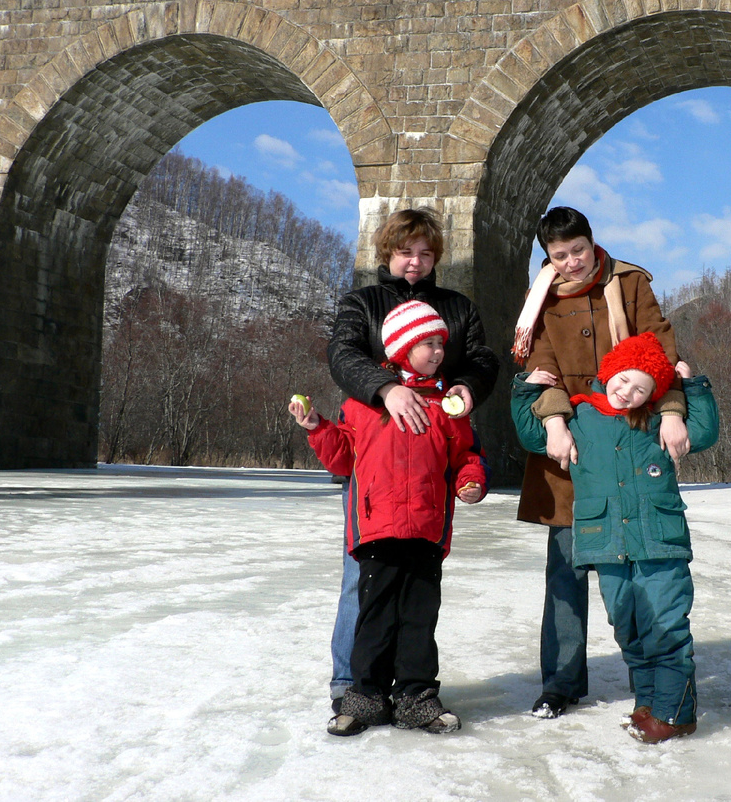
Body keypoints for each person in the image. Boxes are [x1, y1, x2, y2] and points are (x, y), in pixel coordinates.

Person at [510, 206, 690, 718]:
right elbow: (537, 366)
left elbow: (659, 350)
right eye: (558, 255)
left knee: (636, 568)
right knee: (565, 569)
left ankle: (650, 681)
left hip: (630, 440)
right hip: (570, 443)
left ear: (593, 243)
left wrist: (672, 409)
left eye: (578, 251)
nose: (570, 263)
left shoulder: (629, 283)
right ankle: (561, 682)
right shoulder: (539, 298)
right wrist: (554, 422)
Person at [324, 207, 499, 711]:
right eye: (406, 253)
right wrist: (385, 389)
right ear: (388, 254)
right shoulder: (364, 301)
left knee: (421, 584)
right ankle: (351, 684)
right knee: (363, 575)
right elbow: (342, 353)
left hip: (432, 452)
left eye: (425, 254)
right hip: (377, 453)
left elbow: (481, 358)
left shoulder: (456, 307)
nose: (415, 263)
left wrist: (466, 386)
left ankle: (411, 688)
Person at [292, 300, 487, 737]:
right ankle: (364, 699)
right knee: (374, 619)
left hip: (426, 531)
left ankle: (417, 699)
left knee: (420, 620)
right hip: (377, 529)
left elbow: (466, 456)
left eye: (441, 343)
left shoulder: (449, 406)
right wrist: (317, 428)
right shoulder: (363, 404)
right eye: (428, 344)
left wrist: (471, 481)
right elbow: (343, 459)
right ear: (401, 348)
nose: (439, 351)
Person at [511, 332, 719, 742]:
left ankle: (675, 714)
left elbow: (705, 432)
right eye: (624, 379)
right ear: (609, 373)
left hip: (658, 541)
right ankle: (647, 703)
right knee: (628, 627)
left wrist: (692, 385)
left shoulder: (660, 420)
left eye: (640, 388)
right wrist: (525, 390)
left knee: (665, 624)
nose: (627, 392)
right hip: (605, 544)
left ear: (652, 394)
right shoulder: (580, 418)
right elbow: (533, 436)